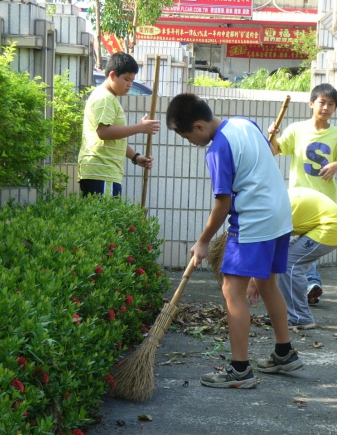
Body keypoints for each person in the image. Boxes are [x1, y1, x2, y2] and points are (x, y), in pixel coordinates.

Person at [165, 93, 303, 388]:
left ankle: (240, 370)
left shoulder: (217, 150)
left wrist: (203, 242)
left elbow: (222, 204)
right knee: (267, 284)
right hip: (280, 215)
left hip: (255, 221)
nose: (191, 142)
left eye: (188, 137)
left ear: (199, 126)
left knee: (232, 290)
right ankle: (284, 352)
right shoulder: (244, 123)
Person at [268, 83, 337, 305]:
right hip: (298, 198)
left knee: (308, 241)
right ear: (311, 103)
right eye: (322, 103)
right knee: (300, 244)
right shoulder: (296, 129)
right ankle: (309, 284)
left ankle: (308, 284)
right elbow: (275, 150)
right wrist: (273, 136)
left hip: (325, 201)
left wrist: (335, 165)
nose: (326, 108)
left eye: (331, 104)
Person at [248, 187, 337, 329]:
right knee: (286, 261)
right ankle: (284, 312)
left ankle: (299, 317)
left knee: (291, 265)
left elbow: (269, 249)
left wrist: (254, 282)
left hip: (331, 227)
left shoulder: (272, 213)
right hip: (324, 225)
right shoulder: (272, 199)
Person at [78, 52, 160, 197]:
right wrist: (140, 127)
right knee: (105, 219)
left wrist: (135, 157)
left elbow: (114, 138)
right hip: (102, 173)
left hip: (102, 173)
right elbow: (103, 132)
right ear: (112, 75)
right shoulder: (105, 98)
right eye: (126, 79)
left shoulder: (108, 97)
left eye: (132, 81)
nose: (129, 85)